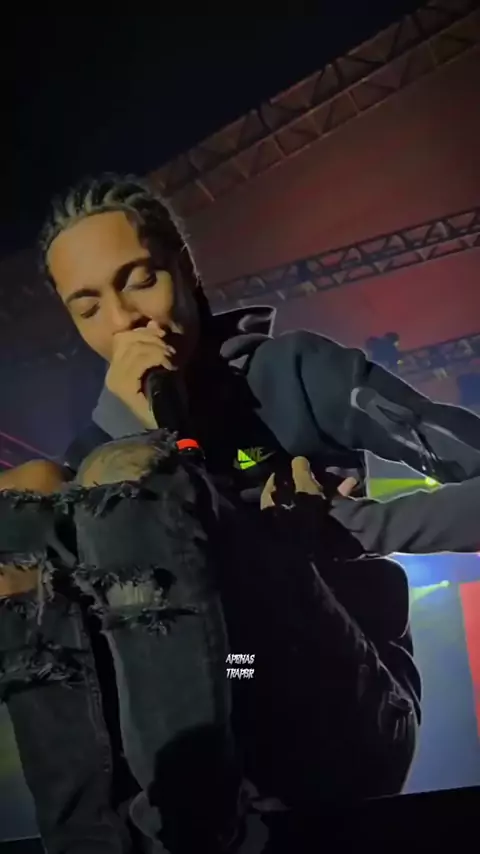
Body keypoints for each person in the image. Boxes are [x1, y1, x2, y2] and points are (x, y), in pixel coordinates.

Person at [2, 174, 480, 854]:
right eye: (89, 307)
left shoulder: (293, 373)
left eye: (140, 280)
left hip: (343, 710)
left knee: (126, 476)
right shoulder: (97, 454)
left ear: (185, 268)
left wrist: (346, 530)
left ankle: (197, 826)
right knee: (28, 491)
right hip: (228, 680)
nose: (123, 319)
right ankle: (86, 838)